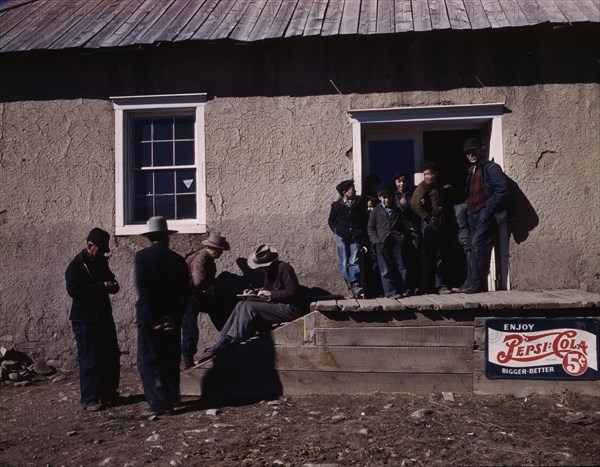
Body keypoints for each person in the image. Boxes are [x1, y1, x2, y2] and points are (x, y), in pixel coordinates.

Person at [199, 245, 307, 360]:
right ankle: (224, 338)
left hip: (290, 309)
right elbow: (268, 289)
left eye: (259, 267)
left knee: (249, 307)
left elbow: (292, 291)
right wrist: (254, 292)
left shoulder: (284, 268)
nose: (258, 270)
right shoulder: (268, 272)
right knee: (241, 304)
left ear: (267, 264)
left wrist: (270, 294)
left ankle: (234, 340)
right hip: (277, 305)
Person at [134, 216, 190, 416]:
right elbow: (185, 293)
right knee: (170, 357)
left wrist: (155, 319)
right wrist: (173, 318)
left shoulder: (142, 257)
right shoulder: (177, 259)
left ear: (150, 237)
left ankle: (159, 403)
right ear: (167, 237)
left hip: (150, 319)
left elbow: (144, 291)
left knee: (149, 360)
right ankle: (173, 396)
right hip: (172, 319)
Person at [65, 228, 120, 412]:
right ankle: (89, 399)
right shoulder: (76, 266)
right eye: (100, 249)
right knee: (89, 359)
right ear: (90, 246)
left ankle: (107, 394)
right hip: (85, 319)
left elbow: (110, 281)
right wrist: (102, 286)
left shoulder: (100, 263)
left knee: (109, 356)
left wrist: (112, 285)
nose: (103, 253)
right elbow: (75, 290)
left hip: (103, 316)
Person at [457, 138, 509, 293]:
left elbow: (503, 189)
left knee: (478, 245)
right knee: (472, 247)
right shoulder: (472, 171)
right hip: (473, 214)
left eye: (473, 151)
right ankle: (472, 282)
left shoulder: (491, 168)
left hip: (484, 213)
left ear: (481, 150)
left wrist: (488, 208)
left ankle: (477, 285)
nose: (470, 155)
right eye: (467, 152)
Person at [181, 233, 230, 369]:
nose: (221, 254)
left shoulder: (208, 260)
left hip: (196, 296)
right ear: (214, 249)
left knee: (218, 308)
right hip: (188, 296)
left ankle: (228, 337)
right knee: (190, 328)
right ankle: (188, 361)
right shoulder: (201, 259)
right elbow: (199, 282)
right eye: (220, 251)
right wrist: (210, 287)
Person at [411, 163, 451, 294]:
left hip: (439, 220)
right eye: (426, 174)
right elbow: (415, 204)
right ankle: (436, 285)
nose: (428, 177)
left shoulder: (437, 186)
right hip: (430, 222)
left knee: (439, 253)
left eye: (430, 174)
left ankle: (435, 284)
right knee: (433, 255)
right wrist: (426, 217)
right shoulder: (423, 186)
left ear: (436, 174)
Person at [367, 185, 412, 298]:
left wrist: (402, 237)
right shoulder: (376, 211)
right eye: (384, 197)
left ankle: (403, 289)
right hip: (382, 242)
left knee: (401, 266)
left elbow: (403, 224)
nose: (387, 200)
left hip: (397, 241)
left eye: (389, 197)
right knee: (385, 268)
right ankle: (390, 291)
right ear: (379, 198)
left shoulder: (397, 210)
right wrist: (376, 240)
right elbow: (370, 228)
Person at [328, 179, 368, 298]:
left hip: (355, 236)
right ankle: (352, 286)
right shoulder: (336, 205)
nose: (355, 191)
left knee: (354, 261)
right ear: (345, 192)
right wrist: (336, 230)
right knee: (344, 262)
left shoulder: (358, 204)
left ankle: (354, 285)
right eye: (352, 189)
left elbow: (363, 219)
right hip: (342, 236)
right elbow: (331, 220)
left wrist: (361, 233)